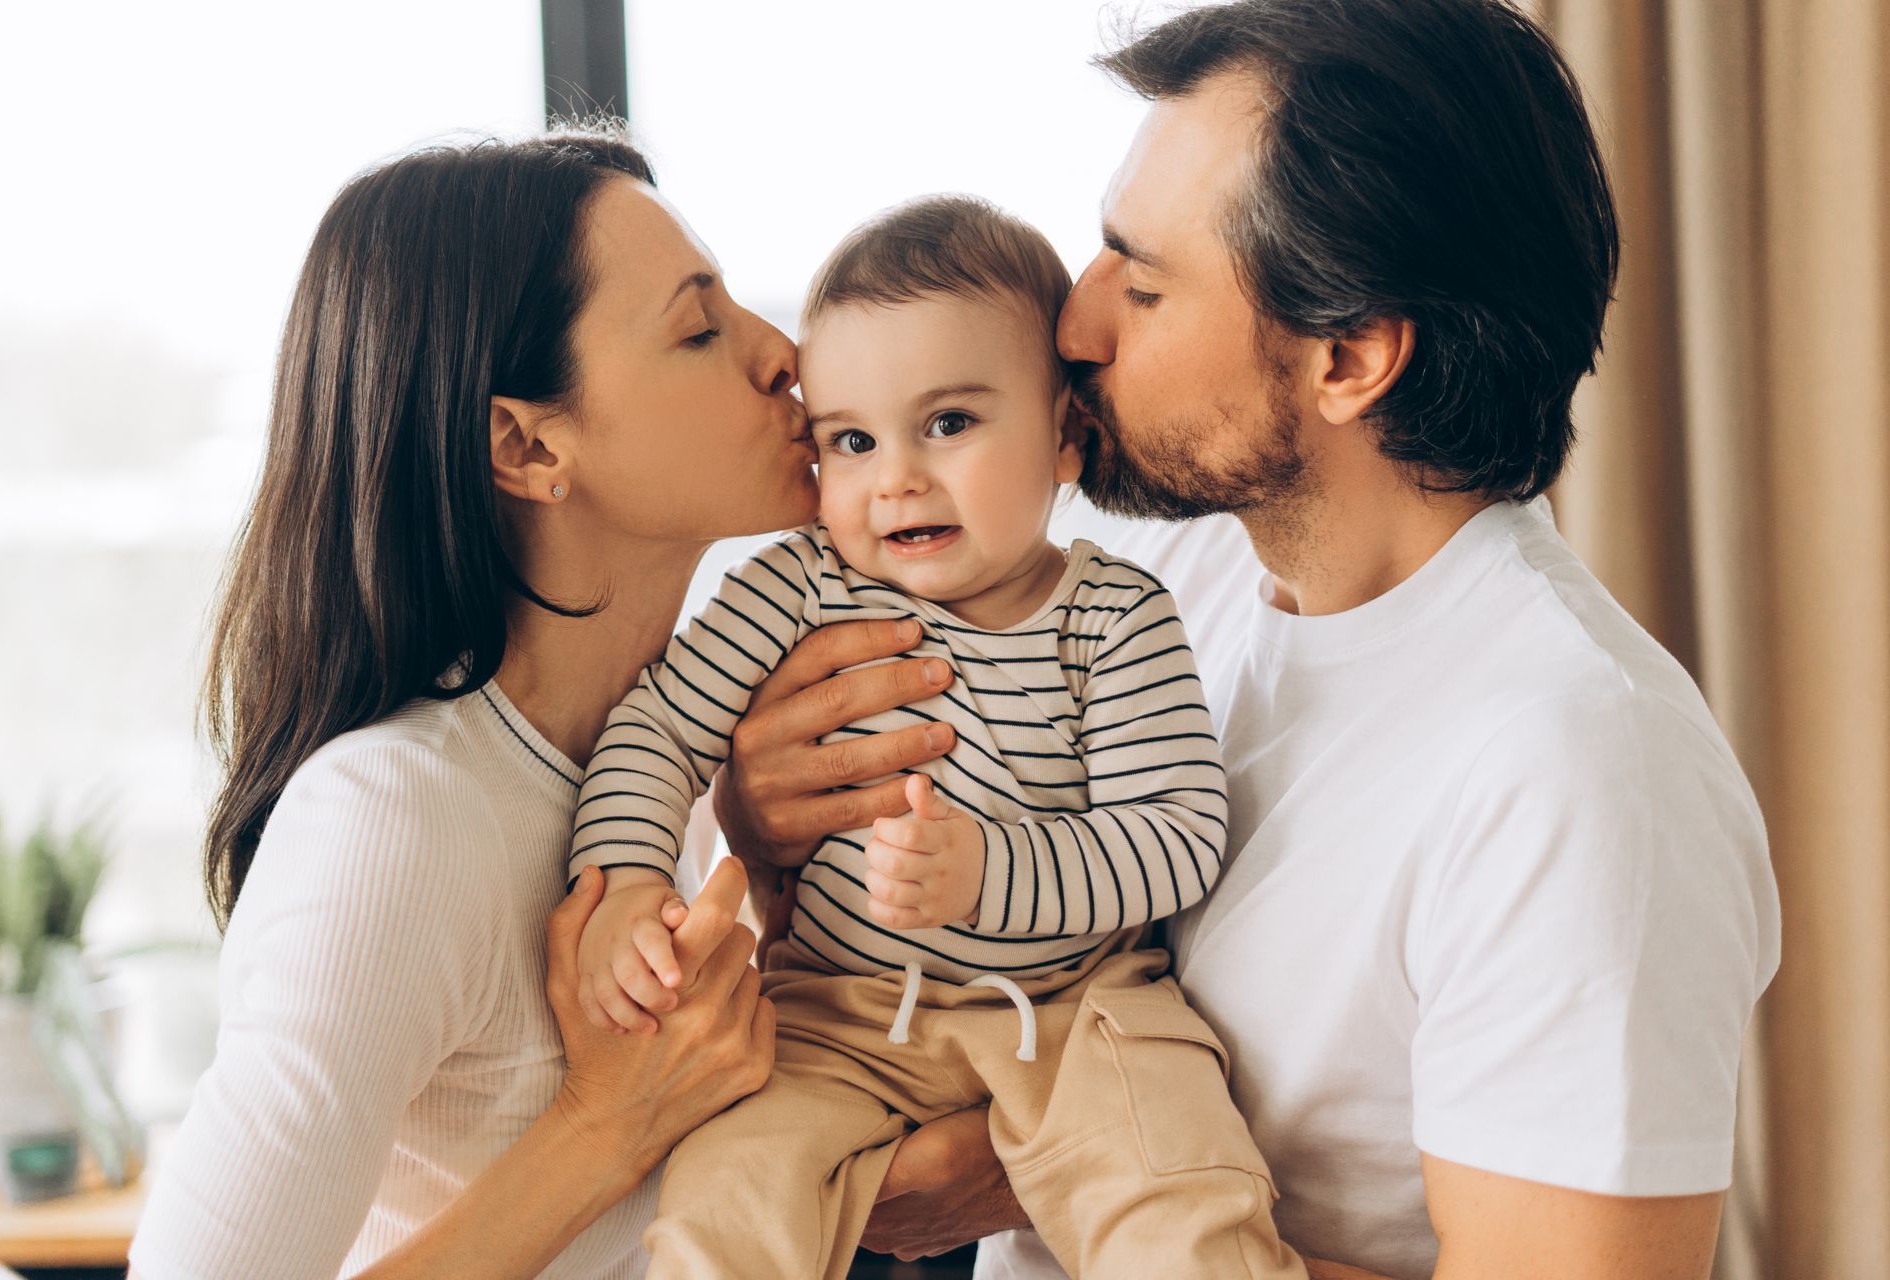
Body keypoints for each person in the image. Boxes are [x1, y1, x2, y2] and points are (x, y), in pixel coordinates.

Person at [711, 4, 1782, 1278]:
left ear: (1348, 357)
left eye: (1144, 282)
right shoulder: (1172, 571)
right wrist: (766, 820)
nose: (1074, 323)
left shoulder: (1581, 775)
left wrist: (1055, 1171)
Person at [568, 196, 1305, 1280]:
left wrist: (986, 870)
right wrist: (627, 875)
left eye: (949, 423)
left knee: (1182, 1196)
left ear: (1065, 434)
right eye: (851, 441)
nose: (897, 476)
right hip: (836, 1021)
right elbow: (659, 727)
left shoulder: (1118, 615)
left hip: (1078, 1012)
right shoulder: (795, 586)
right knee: (724, 1199)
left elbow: (1178, 836)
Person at [128, 129, 794, 1278]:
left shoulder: (673, 761)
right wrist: (602, 1128)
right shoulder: (394, 815)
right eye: (700, 328)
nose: (782, 353)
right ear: (527, 443)